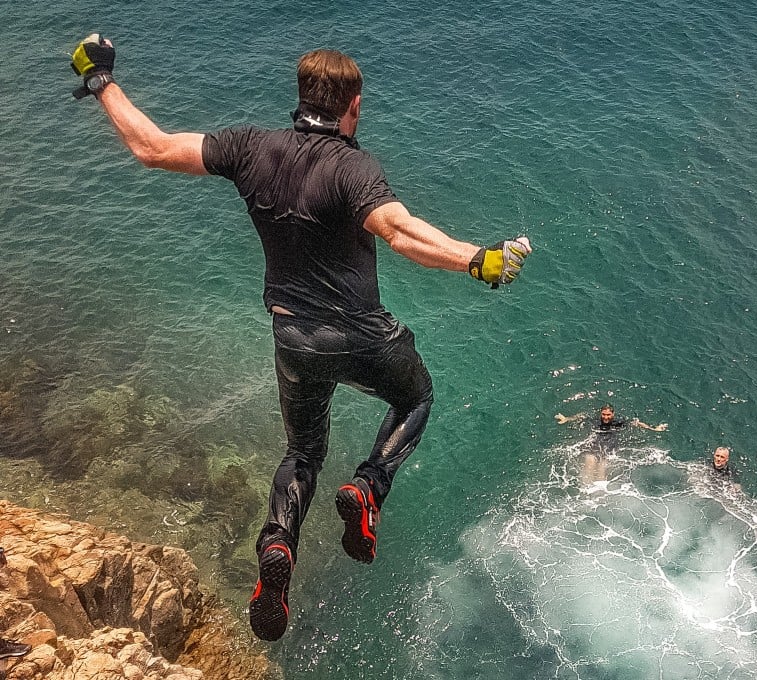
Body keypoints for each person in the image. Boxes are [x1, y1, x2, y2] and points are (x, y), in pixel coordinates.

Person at [69, 34, 533, 642]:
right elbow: (399, 231)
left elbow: (150, 147)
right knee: (415, 396)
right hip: (361, 335)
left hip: (294, 338)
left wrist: (101, 79)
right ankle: (368, 487)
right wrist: (477, 259)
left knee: (302, 452)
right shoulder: (353, 167)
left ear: (300, 95)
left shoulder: (250, 148)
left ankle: (278, 548)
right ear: (354, 105)